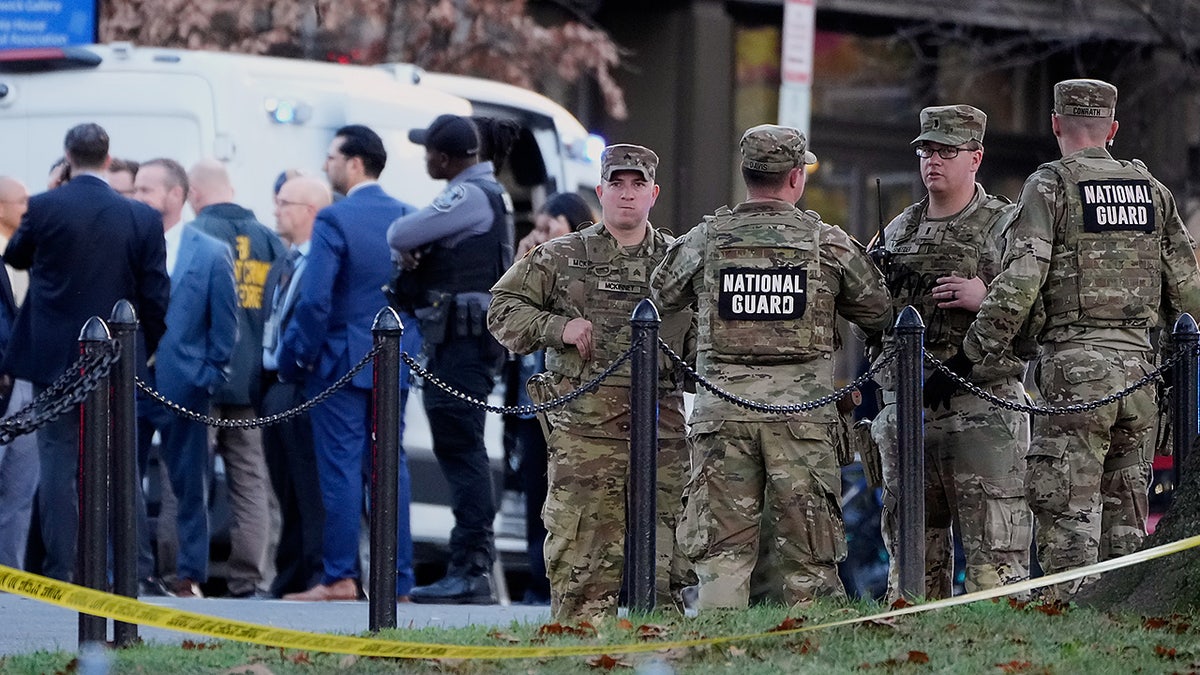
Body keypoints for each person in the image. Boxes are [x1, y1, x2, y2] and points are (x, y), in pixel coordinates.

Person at [955, 79, 1200, 600]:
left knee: (1068, 521)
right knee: (1127, 529)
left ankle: (1067, 629)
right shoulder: (1152, 191)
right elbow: (1188, 291)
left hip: (1074, 376)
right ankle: (1121, 634)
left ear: (1055, 124)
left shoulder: (1050, 185)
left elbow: (1021, 279)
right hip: (1141, 378)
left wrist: (976, 350)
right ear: (1112, 129)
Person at [651, 125, 892, 610]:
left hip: (723, 417)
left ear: (746, 176)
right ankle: (808, 654)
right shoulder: (828, 243)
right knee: (810, 559)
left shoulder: (706, 239)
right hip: (801, 424)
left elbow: (658, 294)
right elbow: (881, 310)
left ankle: (717, 656)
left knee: (721, 557)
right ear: (796, 178)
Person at [489, 143, 695, 620]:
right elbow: (502, 309)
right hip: (586, 436)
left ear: (653, 194)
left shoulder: (679, 262)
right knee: (582, 569)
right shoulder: (562, 256)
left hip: (661, 434)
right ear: (600, 191)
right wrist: (557, 328)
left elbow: (707, 332)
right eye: (617, 184)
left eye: (637, 184)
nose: (627, 195)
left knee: (664, 568)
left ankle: (657, 657)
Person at [867, 105, 1033, 600]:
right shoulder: (898, 231)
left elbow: (1039, 312)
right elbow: (869, 325)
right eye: (925, 150)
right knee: (913, 562)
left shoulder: (1006, 227)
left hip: (982, 411)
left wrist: (988, 298)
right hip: (912, 414)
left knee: (996, 565)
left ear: (975, 157)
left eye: (946, 151)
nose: (932, 160)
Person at [3, 123, 170, 584]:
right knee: (121, 464)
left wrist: (53, 193)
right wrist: (142, 348)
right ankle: (132, 570)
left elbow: (15, 256)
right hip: (116, 359)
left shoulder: (44, 206)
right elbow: (156, 294)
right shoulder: (140, 217)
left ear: (67, 156)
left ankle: (64, 569)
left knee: (58, 465)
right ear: (109, 158)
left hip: (53, 359)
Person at [279, 124, 416, 602]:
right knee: (389, 467)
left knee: (339, 470)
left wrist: (294, 358)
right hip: (394, 359)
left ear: (355, 163)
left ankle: (340, 577)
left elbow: (314, 302)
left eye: (332, 157)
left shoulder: (334, 220)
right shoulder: (408, 215)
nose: (325, 165)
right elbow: (415, 298)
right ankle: (397, 582)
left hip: (339, 362)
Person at [387, 114, 512, 605]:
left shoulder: (469, 194)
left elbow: (401, 232)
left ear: (446, 156)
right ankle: (469, 566)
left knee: (462, 452)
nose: (424, 159)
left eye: (429, 151)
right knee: (461, 449)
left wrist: (415, 249)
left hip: (462, 345)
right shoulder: (488, 195)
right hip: (461, 343)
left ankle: (470, 568)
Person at [134, 157, 238, 598]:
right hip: (133, 381)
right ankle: (133, 569)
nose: (136, 197)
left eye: (145, 189)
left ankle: (189, 574)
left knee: (190, 483)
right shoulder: (130, 245)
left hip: (185, 384)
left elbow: (225, 324)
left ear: (175, 196)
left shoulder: (210, 252)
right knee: (124, 476)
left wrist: (207, 374)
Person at [187, 158, 285, 598]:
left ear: (194, 194)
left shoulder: (194, 237)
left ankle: (182, 576)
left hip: (200, 380)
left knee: (188, 478)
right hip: (251, 384)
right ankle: (250, 578)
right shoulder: (268, 238)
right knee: (250, 481)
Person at [509, 192, 594, 605]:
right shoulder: (535, 267)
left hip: (572, 405)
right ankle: (535, 578)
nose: (539, 236)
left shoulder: (577, 267)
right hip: (531, 407)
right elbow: (510, 322)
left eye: (549, 228)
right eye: (537, 228)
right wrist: (523, 262)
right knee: (534, 496)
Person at [262, 175, 331, 597]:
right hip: (273, 385)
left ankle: (315, 570)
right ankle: (287, 574)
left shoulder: (319, 263)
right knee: (282, 487)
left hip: (303, 386)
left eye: (285, 203)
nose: (276, 210)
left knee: (309, 486)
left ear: (310, 211)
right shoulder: (283, 262)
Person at [0, 176, 34, 570]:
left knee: (20, 489)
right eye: (22, 201)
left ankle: (11, 574)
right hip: (5, 384)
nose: (30, 207)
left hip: (28, 383)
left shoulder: (27, 256)